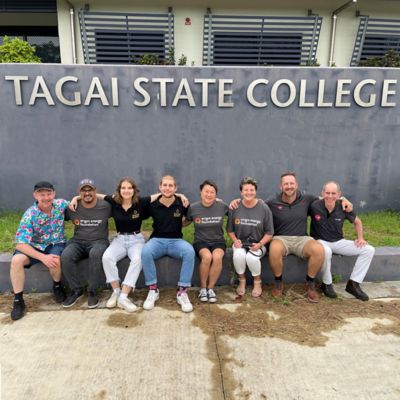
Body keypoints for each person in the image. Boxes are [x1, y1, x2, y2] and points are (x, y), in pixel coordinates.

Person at [266, 172, 352, 303]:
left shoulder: (307, 198)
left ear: (296, 185)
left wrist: (344, 199)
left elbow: (328, 198)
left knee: (318, 250)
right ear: (280, 186)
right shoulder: (272, 201)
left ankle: (310, 284)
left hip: (302, 238)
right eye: (286, 184)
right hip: (281, 238)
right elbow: (256, 204)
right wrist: (237, 202)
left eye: (291, 183)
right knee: (274, 249)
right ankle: (278, 283)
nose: (289, 186)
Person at [10, 181, 68, 321]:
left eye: (49, 194)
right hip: (35, 246)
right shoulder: (30, 214)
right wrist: (42, 257)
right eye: (42, 194)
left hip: (56, 242)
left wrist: (76, 200)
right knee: (16, 260)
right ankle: (18, 301)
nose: (46, 197)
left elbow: (77, 199)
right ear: (35, 195)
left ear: (54, 194)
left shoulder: (60, 204)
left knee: (54, 258)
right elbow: (20, 244)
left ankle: (57, 286)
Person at [310, 181, 375, 301]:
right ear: (322, 193)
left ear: (339, 194)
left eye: (333, 193)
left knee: (369, 250)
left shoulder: (344, 206)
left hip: (338, 241)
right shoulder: (314, 205)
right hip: (320, 241)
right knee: (326, 251)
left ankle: (353, 284)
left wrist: (360, 238)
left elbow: (357, 222)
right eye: (327, 193)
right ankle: (327, 284)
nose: (330, 196)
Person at [141, 175, 195, 313]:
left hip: (176, 240)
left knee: (189, 252)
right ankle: (153, 290)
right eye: (164, 185)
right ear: (160, 187)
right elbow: (139, 206)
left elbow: (189, 219)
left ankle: (182, 291)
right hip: (157, 240)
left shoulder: (181, 203)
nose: (167, 188)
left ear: (175, 188)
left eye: (171, 185)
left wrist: (180, 223)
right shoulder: (153, 204)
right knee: (146, 252)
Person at [62, 179, 111, 309]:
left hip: (98, 241)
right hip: (78, 241)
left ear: (95, 191)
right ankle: (76, 290)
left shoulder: (106, 206)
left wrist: (76, 197)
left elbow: (118, 199)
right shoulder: (73, 207)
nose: (87, 193)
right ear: (79, 192)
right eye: (84, 190)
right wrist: (75, 199)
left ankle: (92, 291)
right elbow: (55, 215)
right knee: (66, 255)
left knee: (95, 254)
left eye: (90, 190)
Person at [227, 177, 274, 297]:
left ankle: (257, 282)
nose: (249, 192)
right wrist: (235, 241)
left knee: (251, 258)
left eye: (252, 190)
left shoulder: (263, 208)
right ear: (241, 192)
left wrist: (260, 244)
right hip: (240, 242)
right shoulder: (235, 207)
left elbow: (269, 233)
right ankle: (242, 280)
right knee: (238, 255)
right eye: (246, 190)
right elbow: (230, 230)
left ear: (256, 191)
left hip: (258, 243)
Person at [186, 180, 228, 303]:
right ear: (201, 192)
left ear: (216, 194)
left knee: (217, 257)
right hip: (201, 241)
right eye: (206, 192)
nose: (209, 195)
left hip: (218, 241)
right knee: (207, 257)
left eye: (212, 192)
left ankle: (211, 289)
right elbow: (186, 221)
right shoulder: (193, 208)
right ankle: (203, 288)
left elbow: (236, 212)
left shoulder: (222, 206)